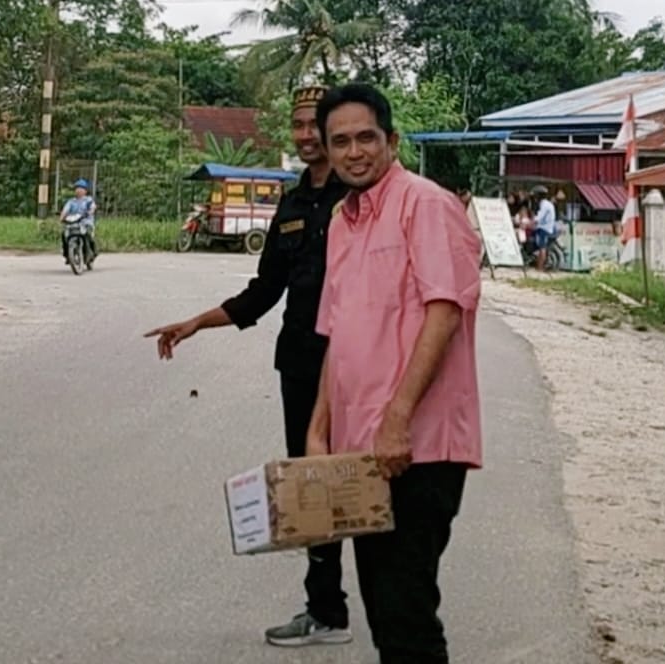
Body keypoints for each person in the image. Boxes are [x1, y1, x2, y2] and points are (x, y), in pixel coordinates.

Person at [143, 86, 353, 648]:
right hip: (303, 365)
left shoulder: (361, 194)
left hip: (363, 365)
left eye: (316, 125)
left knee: (371, 482)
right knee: (314, 485)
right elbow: (263, 292)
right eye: (299, 125)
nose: (307, 135)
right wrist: (193, 324)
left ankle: (392, 606)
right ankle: (327, 610)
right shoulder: (290, 203)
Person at [308, 82, 483, 664]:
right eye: (341, 142)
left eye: (366, 138)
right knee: (382, 610)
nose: (354, 152)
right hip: (364, 450)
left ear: (391, 140)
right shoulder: (342, 221)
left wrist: (398, 418)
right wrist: (318, 431)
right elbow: (338, 333)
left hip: (419, 446)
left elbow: (445, 310)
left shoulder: (427, 205)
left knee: (407, 614)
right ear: (325, 150)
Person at [59, 179, 98, 260]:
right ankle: (67, 254)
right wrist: (62, 217)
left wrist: (90, 211)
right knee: (64, 234)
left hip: (86, 222)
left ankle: (93, 251)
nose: (78, 190)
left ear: (85, 191)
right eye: (77, 188)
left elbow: (93, 207)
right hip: (72, 223)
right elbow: (65, 210)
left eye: (81, 188)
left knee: (87, 234)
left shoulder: (88, 200)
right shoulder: (71, 202)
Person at [530, 184, 556, 270]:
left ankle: (540, 268)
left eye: (535, 195)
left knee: (542, 247)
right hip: (545, 228)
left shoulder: (544, 205)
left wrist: (530, 222)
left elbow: (539, 217)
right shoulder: (547, 204)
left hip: (544, 229)